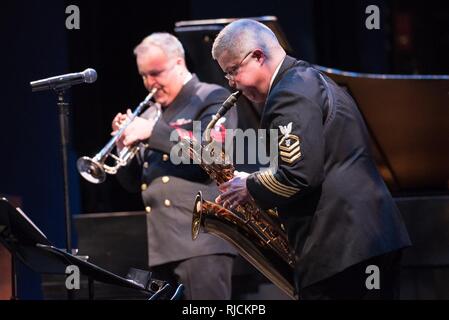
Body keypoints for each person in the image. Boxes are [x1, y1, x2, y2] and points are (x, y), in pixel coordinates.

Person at [212, 19, 411, 300]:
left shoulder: (288, 94)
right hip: (365, 242)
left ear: (258, 55)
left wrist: (249, 186)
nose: (232, 83)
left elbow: (299, 175)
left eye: (233, 71)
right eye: (227, 75)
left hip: (341, 250)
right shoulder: (308, 79)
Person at [112, 32, 238, 300]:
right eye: (144, 76)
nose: (150, 84)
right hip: (161, 245)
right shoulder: (151, 114)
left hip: (200, 242)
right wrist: (122, 146)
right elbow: (134, 183)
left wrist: (152, 132)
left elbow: (214, 154)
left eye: (156, 73)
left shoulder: (211, 97)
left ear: (179, 63)